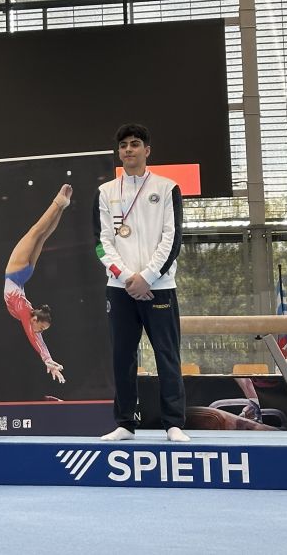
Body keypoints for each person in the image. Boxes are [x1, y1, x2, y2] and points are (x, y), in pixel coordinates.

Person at [96, 123, 189, 442]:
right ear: (119, 152)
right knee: (122, 357)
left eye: (135, 144)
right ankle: (124, 423)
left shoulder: (167, 188)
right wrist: (126, 277)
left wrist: (147, 277)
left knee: (167, 355)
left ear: (147, 150)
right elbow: (100, 243)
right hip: (119, 288)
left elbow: (172, 238)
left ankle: (174, 423)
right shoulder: (106, 192)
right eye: (123, 145)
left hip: (158, 287)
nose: (128, 150)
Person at [4, 185, 72, 384]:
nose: (40, 332)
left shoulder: (27, 315)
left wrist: (47, 359)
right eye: (41, 328)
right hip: (16, 273)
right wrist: (46, 359)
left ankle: (61, 205)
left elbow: (36, 338)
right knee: (37, 232)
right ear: (35, 319)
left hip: (21, 275)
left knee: (41, 234)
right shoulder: (26, 313)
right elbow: (35, 337)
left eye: (42, 329)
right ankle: (58, 203)